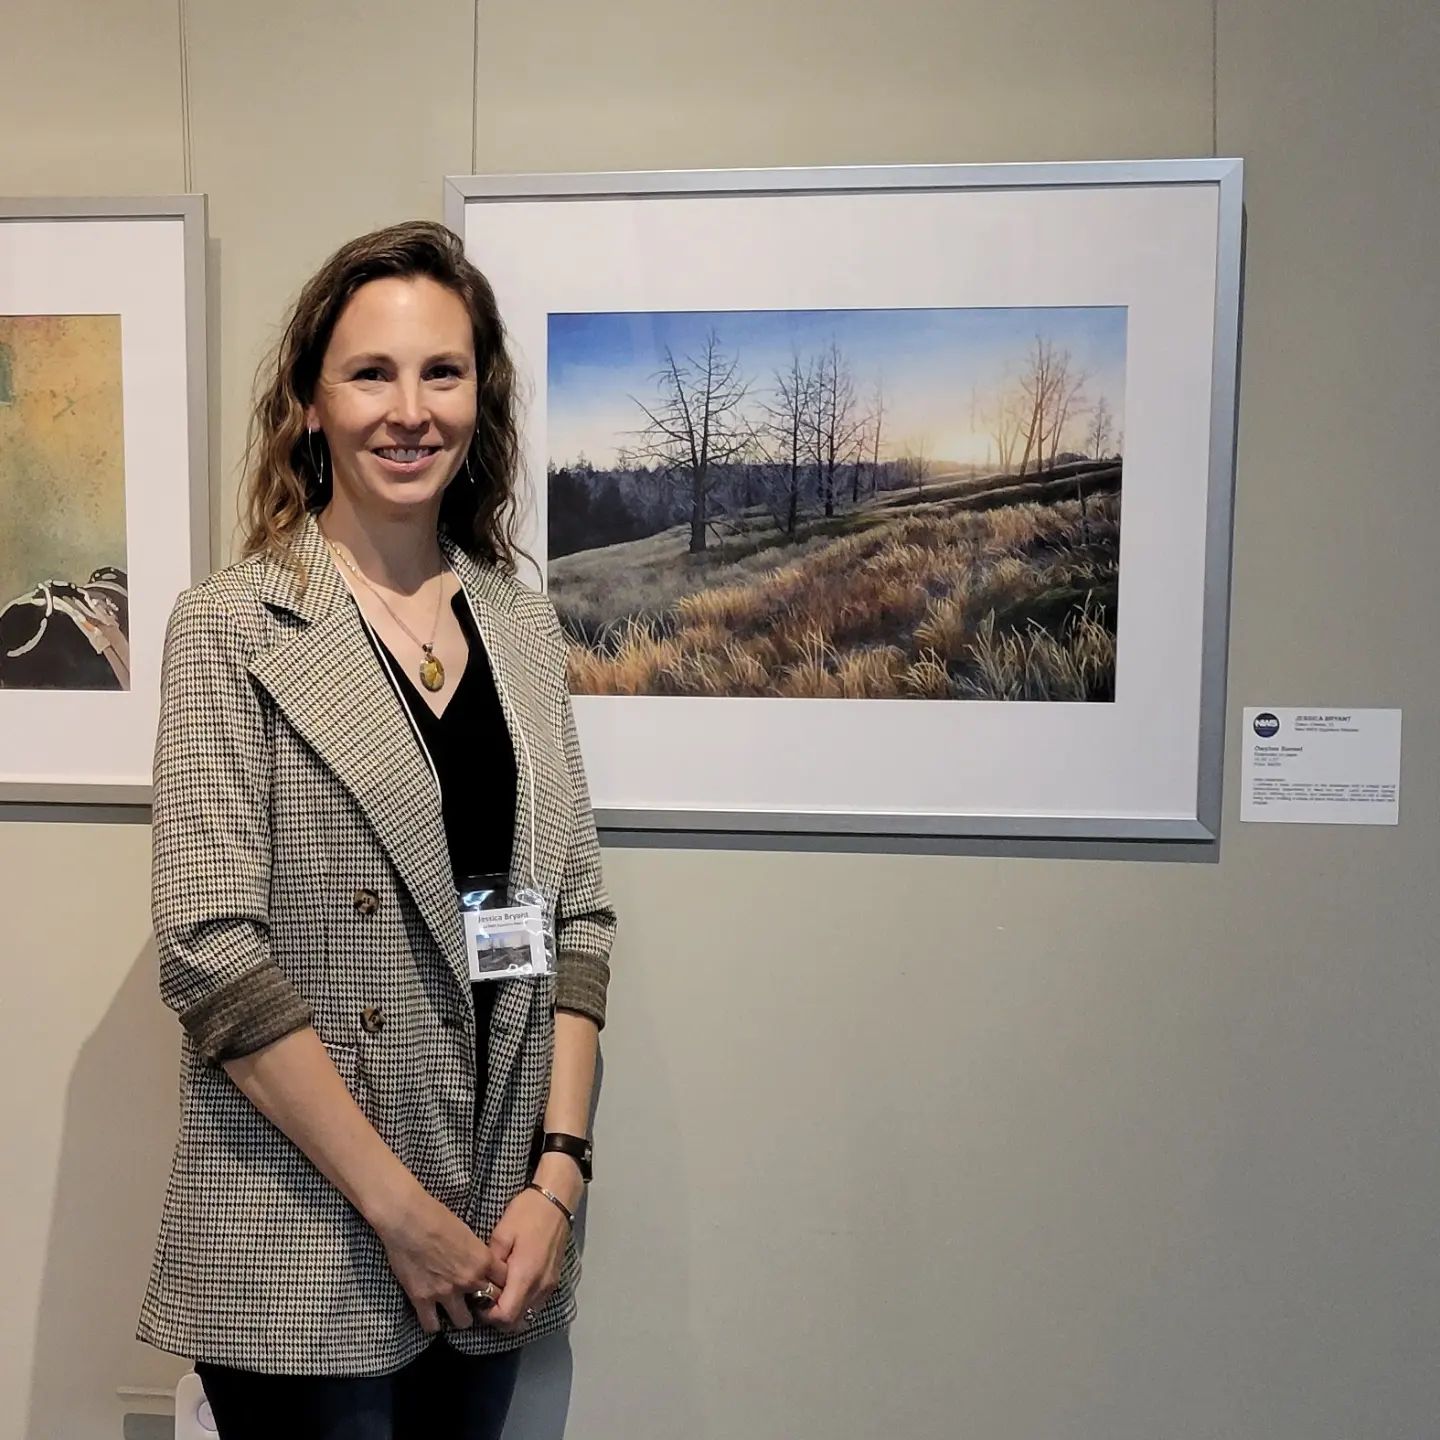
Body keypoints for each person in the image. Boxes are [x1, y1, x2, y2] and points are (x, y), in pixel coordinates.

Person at [137, 220, 616, 1439]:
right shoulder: (231, 626)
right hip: (307, 1230)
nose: (410, 412)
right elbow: (209, 952)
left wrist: (558, 1177)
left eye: (441, 372)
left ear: (479, 397)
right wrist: (401, 1215)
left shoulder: (521, 629)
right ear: (310, 403)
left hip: (498, 1222)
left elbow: (577, 917)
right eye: (371, 373)